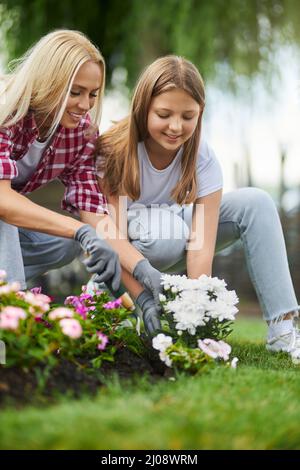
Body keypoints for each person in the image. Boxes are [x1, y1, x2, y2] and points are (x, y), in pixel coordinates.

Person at [95, 55, 300, 359]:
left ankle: (283, 329)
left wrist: (195, 313)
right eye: (164, 114)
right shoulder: (115, 151)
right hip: (128, 255)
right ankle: (110, 299)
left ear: (200, 113)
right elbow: (111, 238)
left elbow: (201, 247)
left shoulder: (202, 156)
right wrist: (140, 299)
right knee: (168, 232)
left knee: (256, 202)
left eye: (188, 116)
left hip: (176, 232)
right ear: (142, 108)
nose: (176, 127)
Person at [0, 29, 123, 291]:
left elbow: (91, 209)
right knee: (6, 211)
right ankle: (10, 307)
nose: (85, 104)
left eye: (93, 94)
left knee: (66, 242)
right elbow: (3, 200)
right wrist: (79, 230)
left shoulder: (80, 132)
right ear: (48, 81)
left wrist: (137, 265)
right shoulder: (5, 108)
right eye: (75, 92)